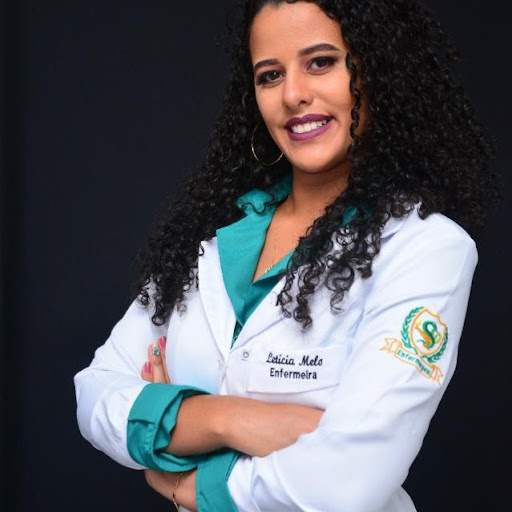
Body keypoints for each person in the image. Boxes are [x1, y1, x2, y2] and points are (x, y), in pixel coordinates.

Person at [74, 0, 497, 511]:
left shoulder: (426, 248)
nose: (293, 94)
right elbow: (94, 394)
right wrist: (229, 419)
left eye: (321, 62)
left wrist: (187, 478)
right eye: (270, 75)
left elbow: (347, 480)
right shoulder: (212, 235)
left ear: (378, 72)